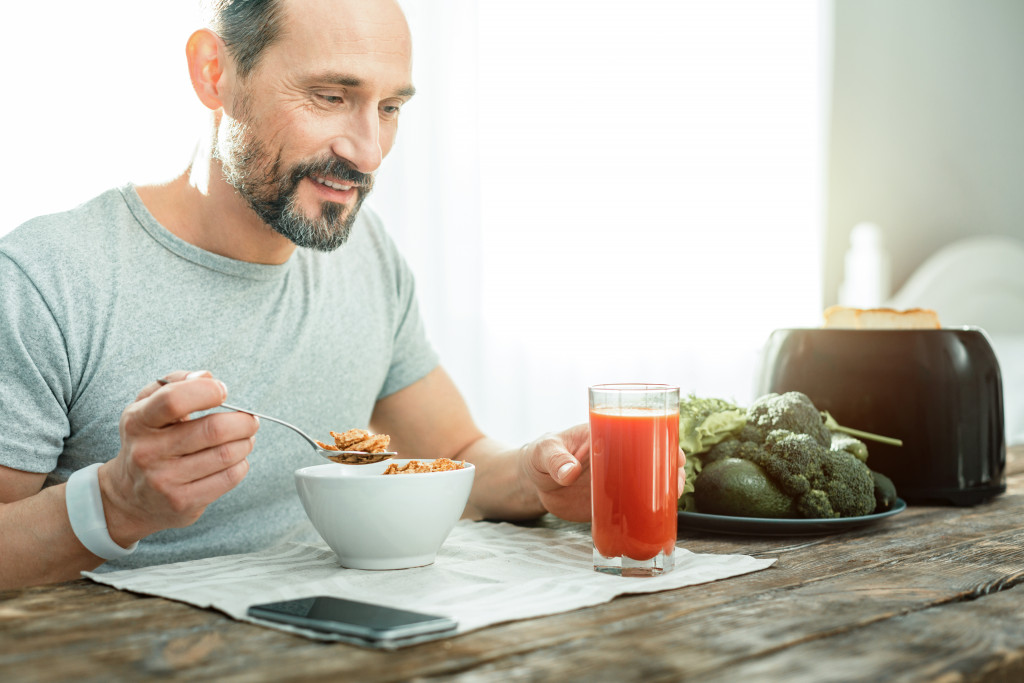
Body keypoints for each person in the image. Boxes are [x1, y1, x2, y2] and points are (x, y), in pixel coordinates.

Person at [0, 0, 684, 590]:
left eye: (388, 108)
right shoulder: (47, 278)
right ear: (214, 71)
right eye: (330, 97)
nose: (369, 151)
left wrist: (538, 477)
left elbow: (457, 455)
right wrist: (116, 502)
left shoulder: (368, 256)